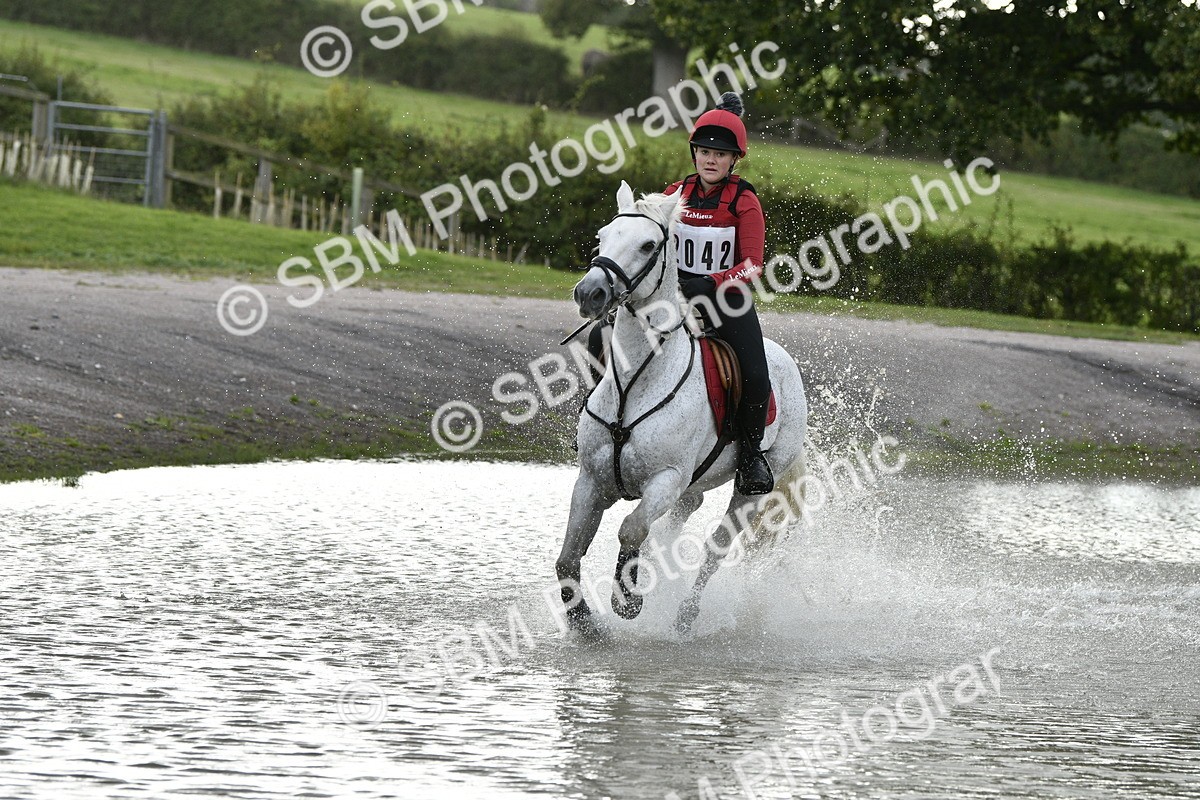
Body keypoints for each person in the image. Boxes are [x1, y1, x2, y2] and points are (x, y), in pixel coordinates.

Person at [588, 91, 774, 495]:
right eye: (705, 152)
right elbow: (645, 237)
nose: (711, 160)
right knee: (599, 339)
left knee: (757, 375)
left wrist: (711, 281)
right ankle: (598, 424)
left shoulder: (744, 200)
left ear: (734, 160)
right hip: (671, 298)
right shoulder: (676, 194)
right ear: (694, 153)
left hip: (725, 299)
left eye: (720, 155)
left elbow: (753, 265)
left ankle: (752, 455)